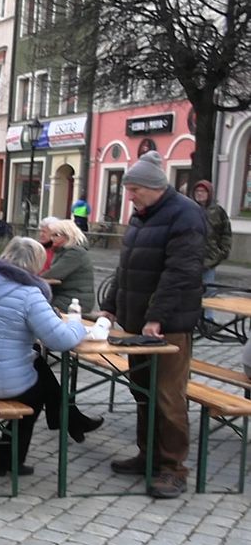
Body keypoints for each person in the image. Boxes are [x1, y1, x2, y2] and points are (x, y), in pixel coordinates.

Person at [101, 151, 206, 499]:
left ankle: (173, 468)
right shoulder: (142, 216)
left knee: (168, 397)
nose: (130, 197)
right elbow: (126, 268)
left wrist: (156, 317)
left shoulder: (186, 215)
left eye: (134, 191)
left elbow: (181, 272)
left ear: (154, 187)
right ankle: (148, 455)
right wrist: (110, 307)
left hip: (167, 327)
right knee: (142, 391)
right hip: (136, 326)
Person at [0, 238, 102, 477]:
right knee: (36, 394)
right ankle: (10, 460)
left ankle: (71, 419)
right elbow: (60, 340)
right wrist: (78, 327)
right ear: (37, 264)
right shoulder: (29, 293)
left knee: (39, 365)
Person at [42, 219, 96, 315]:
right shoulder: (63, 251)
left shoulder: (75, 252)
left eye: (56, 235)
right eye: (52, 235)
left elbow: (54, 273)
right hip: (65, 295)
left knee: (40, 309)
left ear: (68, 236)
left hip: (75, 300)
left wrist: (32, 277)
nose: (52, 238)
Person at [193, 180, 231, 299]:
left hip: (210, 259)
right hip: (191, 258)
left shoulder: (218, 211)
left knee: (208, 293)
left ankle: (208, 317)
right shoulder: (189, 209)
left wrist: (222, 252)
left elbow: (226, 233)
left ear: (209, 193)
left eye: (203, 191)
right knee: (190, 292)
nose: (199, 194)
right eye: (197, 191)